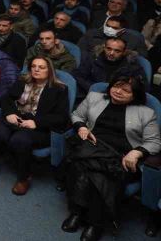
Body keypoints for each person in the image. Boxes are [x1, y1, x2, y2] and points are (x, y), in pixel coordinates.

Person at [62, 72, 160, 241]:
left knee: (91, 170)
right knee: (94, 168)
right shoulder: (94, 97)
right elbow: (77, 115)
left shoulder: (146, 113)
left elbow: (155, 142)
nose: (118, 92)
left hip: (120, 156)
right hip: (92, 146)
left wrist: (136, 152)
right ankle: (84, 216)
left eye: (126, 90)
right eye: (116, 86)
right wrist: (81, 127)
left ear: (135, 95)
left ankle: (87, 218)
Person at [0, 56, 69, 196]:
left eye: (41, 67)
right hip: (16, 118)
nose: (36, 69)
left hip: (38, 126)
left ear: (50, 71)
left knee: (19, 140)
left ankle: (24, 178)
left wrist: (36, 122)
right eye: (34, 66)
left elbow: (61, 117)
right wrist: (9, 114)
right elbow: (7, 99)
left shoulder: (59, 89)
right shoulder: (22, 81)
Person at [72, 37, 146, 96]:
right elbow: (79, 76)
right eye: (108, 49)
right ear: (104, 48)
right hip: (90, 94)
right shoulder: (92, 59)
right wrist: (94, 89)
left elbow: (141, 88)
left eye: (117, 51)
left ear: (124, 52)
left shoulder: (133, 67)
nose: (111, 53)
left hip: (119, 98)